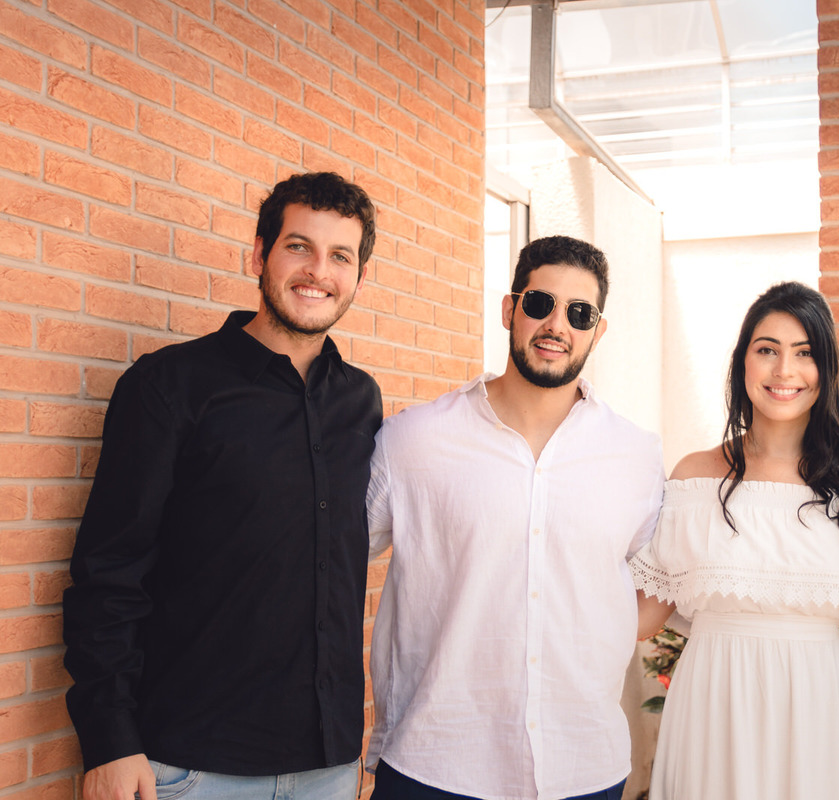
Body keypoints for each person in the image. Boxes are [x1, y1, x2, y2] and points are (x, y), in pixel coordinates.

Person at [62, 172, 383, 800]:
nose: (318, 271)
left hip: (329, 764)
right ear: (260, 254)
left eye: (340, 256)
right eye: (299, 246)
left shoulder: (360, 400)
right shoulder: (169, 386)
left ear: (359, 277)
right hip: (193, 767)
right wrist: (110, 739)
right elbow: (108, 572)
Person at [364, 235, 665, 800]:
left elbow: (654, 585)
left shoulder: (637, 457)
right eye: (539, 303)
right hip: (435, 764)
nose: (556, 325)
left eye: (579, 313)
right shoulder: (414, 441)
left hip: (584, 767)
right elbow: (331, 561)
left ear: (598, 331)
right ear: (509, 309)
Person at [632, 281, 839, 800]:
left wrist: (809, 656)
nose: (784, 370)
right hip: (711, 711)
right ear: (742, 364)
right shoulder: (694, 477)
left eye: (805, 353)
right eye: (767, 350)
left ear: (826, 369)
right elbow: (643, 616)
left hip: (819, 714)